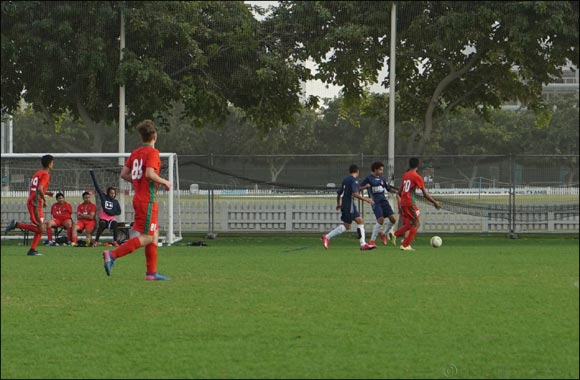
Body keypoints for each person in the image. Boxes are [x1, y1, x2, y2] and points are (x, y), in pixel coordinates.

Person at [102, 119, 172, 281]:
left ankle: (151, 273)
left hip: (139, 198)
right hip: (147, 200)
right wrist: (165, 182)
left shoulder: (135, 153)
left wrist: (137, 182)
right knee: (147, 236)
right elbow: (149, 173)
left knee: (153, 234)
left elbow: (124, 174)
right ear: (154, 135)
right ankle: (112, 254)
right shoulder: (153, 153)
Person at [4, 154, 55, 256]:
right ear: (49, 164)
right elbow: (39, 189)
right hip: (35, 203)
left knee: (41, 229)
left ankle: (32, 250)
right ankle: (17, 225)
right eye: (52, 162)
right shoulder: (45, 174)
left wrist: (47, 193)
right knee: (41, 228)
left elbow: (36, 190)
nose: (53, 164)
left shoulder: (37, 173)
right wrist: (44, 200)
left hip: (33, 201)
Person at [321, 164, 376, 251]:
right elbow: (354, 193)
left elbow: (339, 193)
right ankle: (363, 244)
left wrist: (339, 203)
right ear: (357, 171)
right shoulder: (354, 181)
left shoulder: (346, 180)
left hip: (345, 204)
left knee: (348, 225)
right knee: (359, 221)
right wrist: (366, 199)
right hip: (349, 204)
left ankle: (327, 237)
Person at [394, 157, 441, 251]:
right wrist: (434, 202)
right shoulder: (417, 177)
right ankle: (405, 245)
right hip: (410, 202)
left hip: (403, 202)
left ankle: (395, 234)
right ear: (418, 165)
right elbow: (425, 193)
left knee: (412, 223)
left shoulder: (405, 175)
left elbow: (399, 192)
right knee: (416, 224)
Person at [359, 161, 399, 247]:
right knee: (381, 220)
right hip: (375, 202)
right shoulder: (368, 178)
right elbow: (358, 188)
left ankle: (383, 234)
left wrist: (397, 191)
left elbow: (388, 189)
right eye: (380, 170)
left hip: (383, 201)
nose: (381, 171)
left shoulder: (382, 178)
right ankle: (372, 240)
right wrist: (364, 187)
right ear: (375, 169)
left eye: (382, 170)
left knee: (393, 220)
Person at [90, 170, 122, 247]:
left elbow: (119, 211)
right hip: (103, 219)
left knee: (115, 225)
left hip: (111, 219)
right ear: (108, 193)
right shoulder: (104, 197)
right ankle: (96, 241)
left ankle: (115, 241)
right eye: (111, 193)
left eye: (114, 193)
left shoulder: (116, 202)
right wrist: (92, 174)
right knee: (102, 225)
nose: (112, 194)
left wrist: (111, 212)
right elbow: (97, 187)